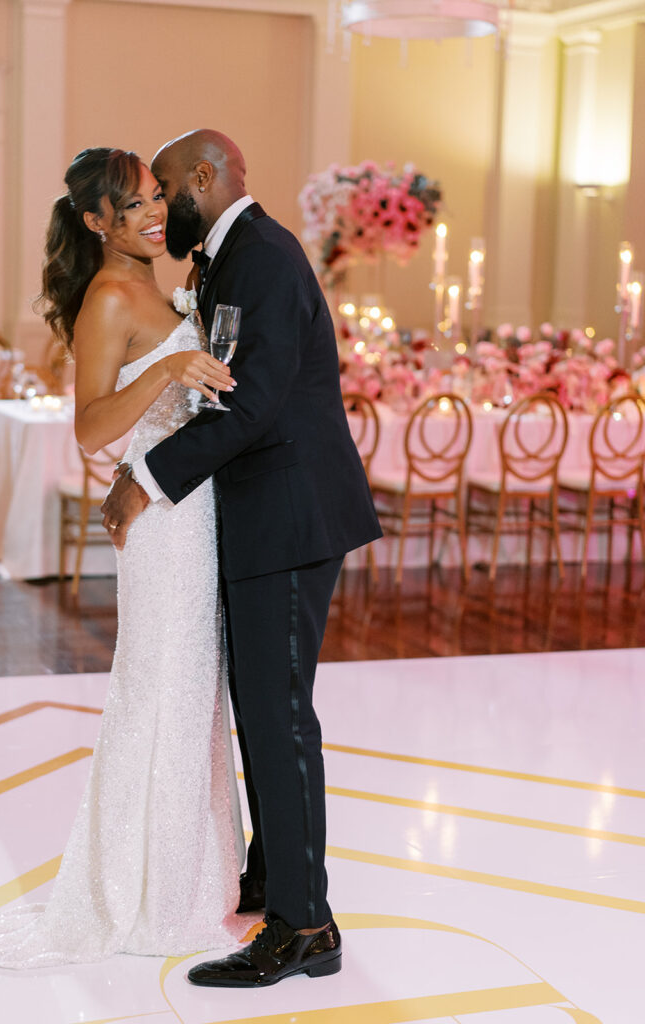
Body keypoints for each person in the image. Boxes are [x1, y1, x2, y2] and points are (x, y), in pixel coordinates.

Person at [0, 146, 250, 967]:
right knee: (160, 684)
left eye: (156, 196)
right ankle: (140, 890)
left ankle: (191, 874)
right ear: (95, 222)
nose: (157, 213)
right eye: (135, 207)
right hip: (164, 530)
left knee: (191, 688)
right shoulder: (110, 295)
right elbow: (89, 426)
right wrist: (171, 371)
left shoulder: (155, 283)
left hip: (191, 508)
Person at [100, 129, 382, 987]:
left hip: (289, 523)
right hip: (262, 522)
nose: (160, 210)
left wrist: (144, 476)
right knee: (263, 707)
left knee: (279, 715)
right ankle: (275, 874)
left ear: (200, 179)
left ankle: (305, 926)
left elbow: (254, 406)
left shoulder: (262, 255)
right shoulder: (231, 258)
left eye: (164, 193)